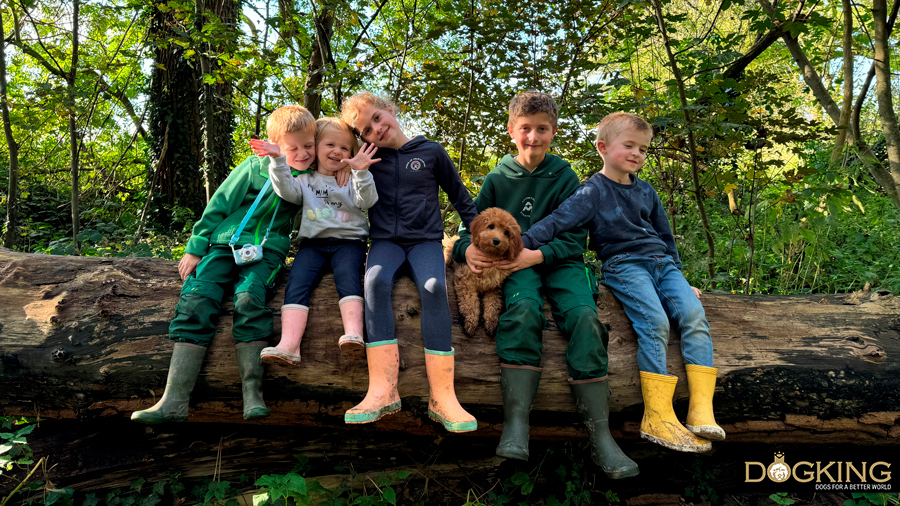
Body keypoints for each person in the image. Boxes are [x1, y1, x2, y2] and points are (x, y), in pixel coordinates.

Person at [452, 91, 639, 479]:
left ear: (553, 132)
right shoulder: (498, 177)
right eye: (525, 129)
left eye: (542, 130)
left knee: (585, 318)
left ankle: (600, 435)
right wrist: (465, 252)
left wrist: (538, 255)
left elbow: (577, 237)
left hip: (559, 261)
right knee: (520, 311)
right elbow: (468, 226)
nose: (533, 137)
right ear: (511, 131)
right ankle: (516, 424)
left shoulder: (566, 177)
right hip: (513, 266)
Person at [521, 111, 724, 453]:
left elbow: (665, 236)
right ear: (602, 147)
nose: (637, 154)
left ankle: (701, 410)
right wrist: (520, 245)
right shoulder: (592, 192)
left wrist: (680, 276)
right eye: (629, 146)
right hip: (624, 266)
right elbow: (556, 221)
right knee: (655, 321)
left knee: (694, 316)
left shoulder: (646, 192)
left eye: (643, 149)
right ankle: (658, 415)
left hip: (663, 266)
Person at [131, 105, 312, 424]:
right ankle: (174, 399)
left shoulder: (308, 178)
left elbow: (296, 196)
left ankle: (252, 394)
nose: (302, 153)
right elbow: (220, 203)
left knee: (249, 299)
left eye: (308, 146)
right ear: (272, 143)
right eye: (291, 147)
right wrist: (196, 245)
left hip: (266, 251)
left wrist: (284, 160)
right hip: (223, 243)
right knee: (196, 299)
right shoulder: (252, 167)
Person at [340, 92, 479, 432]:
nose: (376, 130)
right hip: (385, 241)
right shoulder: (369, 161)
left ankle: (443, 396)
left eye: (376, 118)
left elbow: (460, 196)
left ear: (389, 109)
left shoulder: (431, 152)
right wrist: (356, 170)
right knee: (374, 282)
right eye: (366, 131)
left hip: (425, 241)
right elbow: (356, 200)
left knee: (434, 287)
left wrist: (477, 240)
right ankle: (382, 389)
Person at [248, 117, 380, 366]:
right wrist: (277, 160)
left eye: (344, 148)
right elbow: (285, 190)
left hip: (349, 242)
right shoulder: (304, 180)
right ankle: (289, 345)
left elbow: (367, 201)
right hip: (312, 245)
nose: (337, 152)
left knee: (348, 277)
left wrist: (361, 172)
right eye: (330, 145)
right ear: (316, 147)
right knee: (297, 283)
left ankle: (354, 334)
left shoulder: (352, 178)